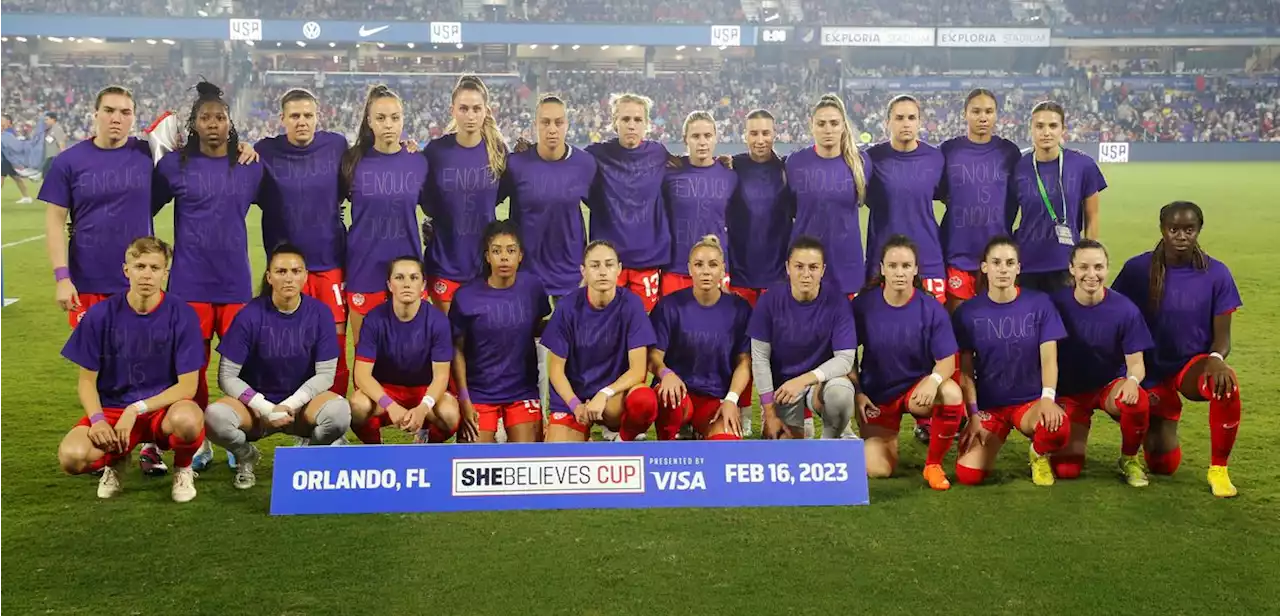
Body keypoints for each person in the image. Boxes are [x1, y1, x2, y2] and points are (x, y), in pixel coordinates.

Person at [152, 80, 265, 466]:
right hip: (189, 285)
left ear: (230, 122)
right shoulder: (173, 166)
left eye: (220, 117)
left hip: (235, 284)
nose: (213, 123)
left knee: (239, 369)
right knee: (191, 369)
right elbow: (143, 207)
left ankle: (236, 437)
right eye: (205, 117)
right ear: (194, 123)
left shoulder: (250, 166)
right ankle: (199, 439)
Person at [55, 236, 204, 502]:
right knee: (72, 457)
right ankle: (117, 461)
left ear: (165, 273)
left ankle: (183, 468)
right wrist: (98, 419)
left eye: (155, 268)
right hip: (114, 409)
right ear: (127, 270)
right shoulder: (100, 315)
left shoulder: (183, 314)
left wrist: (136, 409)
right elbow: (86, 382)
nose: (147, 274)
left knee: (189, 420)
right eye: (140, 266)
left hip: (162, 410)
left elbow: (188, 387)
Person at [1112, 201, 1243, 498]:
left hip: (1192, 365)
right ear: (1162, 230)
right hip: (1149, 368)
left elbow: (1222, 337)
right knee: (1162, 464)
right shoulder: (1137, 269)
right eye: (1174, 229)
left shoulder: (1217, 273)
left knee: (1227, 384)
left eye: (1189, 229)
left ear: (1198, 231)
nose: (1181, 236)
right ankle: (1165, 409)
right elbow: (1116, 318)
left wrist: (1216, 359)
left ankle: (1219, 470)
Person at [203, 244, 352, 490]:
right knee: (214, 417)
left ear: (305, 276)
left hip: (301, 407)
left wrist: (289, 405)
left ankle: (307, 460)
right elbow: (227, 377)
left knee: (339, 413)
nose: (289, 278)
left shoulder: (320, 313)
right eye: (281, 271)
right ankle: (245, 456)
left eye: (296, 271)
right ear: (269, 276)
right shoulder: (249, 315)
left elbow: (326, 374)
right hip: (255, 410)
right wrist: (265, 407)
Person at [254, 87, 351, 397]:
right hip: (286, 270)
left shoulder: (336, 146)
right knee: (291, 348)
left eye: (308, 115)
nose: (302, 122)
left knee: (334, 347)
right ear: (282, 119)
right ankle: (297, 416)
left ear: (317, 117)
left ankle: (331, 417)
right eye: (294, 116)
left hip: (329, 264)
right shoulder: (264, 152)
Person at [952, 237, 1070, 487]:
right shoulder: (967, 313)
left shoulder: (1039, 303)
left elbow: (1050, 359)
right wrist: (973, 414)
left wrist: (1048, 399)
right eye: (996, 262)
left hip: (1030, 403)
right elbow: (965, 372)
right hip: (991, 406)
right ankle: (992, 440)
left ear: (1019, 268)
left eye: (1009, 263)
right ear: (984, 267)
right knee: (968, 475)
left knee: (1057, 427)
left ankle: (1038, 454)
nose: (1003, 269)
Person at [851, 235, 964, 490]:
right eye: (892, 266)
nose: (899, 273)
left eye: (905, 266)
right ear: (882, 269)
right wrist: (857, 392)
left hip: (916, 391)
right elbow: (846, 355)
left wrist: (933, 380)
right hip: (877, 395)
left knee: (950, 392)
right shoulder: (864, 305)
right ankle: (872, 442)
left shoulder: (931, 308)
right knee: (879, 470)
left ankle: (933, 465)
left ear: (915, 269)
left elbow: (947, 360)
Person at [40, 86, 154, 330]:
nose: (116, 118)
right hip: (87, 280)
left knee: (139, 359)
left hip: (139, 280)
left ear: (133, 117)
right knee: (94, 363)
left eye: (125, 112)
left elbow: (201, 153)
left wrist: (240, 147)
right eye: (109, 110)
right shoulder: (68, 161)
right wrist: (62, 278)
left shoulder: (149, 154)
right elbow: (54, 222)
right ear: (95, 114)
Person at [1049, 240, 1153, 487]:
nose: (1091, 275)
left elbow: (1137, 363)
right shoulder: (1054, 305)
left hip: (1107, 387)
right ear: (1072, 269)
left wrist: (1132, 380)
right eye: (1083, 267)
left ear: (1107, 269)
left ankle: (1129, 459)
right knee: (1066, 470)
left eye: (1098, 267)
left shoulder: (1125, 310)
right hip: (1070, 393)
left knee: (1137, 399)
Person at [542, 241, 659, 442]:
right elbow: (556, 371)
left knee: (644, 400)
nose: (603, 271)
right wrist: (575, 405)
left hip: (613, 397)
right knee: (560, 461)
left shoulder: (631, 304)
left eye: (609, 264)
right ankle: (576, 428)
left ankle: (621, 437)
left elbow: (639, 370)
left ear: (619, 269)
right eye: (595, 265)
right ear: (583, 271)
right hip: (574, 398)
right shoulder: (567, 307)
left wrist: (604, 394)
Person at [340, 84, 429, 347]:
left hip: (408, 272)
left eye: (395, 117)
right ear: (369, 121)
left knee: (411, 350)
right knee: (365, 351)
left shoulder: (418, 162)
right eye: (380, 118)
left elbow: (436, 207)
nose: (388, 124)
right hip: (363, 269)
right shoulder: (351, 162)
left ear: (403, 119)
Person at [451, 221, 551, 443]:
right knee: (474, 467)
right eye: (496, 251)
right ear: (487, 256)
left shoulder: (533, 288)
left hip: (522, 392)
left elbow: (537, 329)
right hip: (480, 393)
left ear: (520, 256)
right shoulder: (466, 296)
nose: (504, 257)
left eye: (510, 250)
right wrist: (465, 399)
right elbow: (456, 349)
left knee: (526, 464)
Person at [749, 236, 858, 439]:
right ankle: (795, 426)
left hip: (820, 382)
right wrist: (770, 413)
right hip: (784, 389)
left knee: (840, 394)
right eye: (799, 267)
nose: (806, 274)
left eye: (813, 267)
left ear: (823, 270)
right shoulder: (769, 301)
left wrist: (803, 380)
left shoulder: (837, 302)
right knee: (786, 455)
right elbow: (760, 359)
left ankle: (833, 439)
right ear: (788, 268)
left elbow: (845, 360)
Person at [727, 108, 792, 437]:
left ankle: (786, 414)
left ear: (775, 133)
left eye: (765, 133)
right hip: (740, 273)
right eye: (754, 133)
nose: (760, 139)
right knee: (742, 350)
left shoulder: (786, 170)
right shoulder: (733, 166)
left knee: (780, 349)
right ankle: (741, 412)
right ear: (745, 134)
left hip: (777, 276)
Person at [350, 257, 462, 445]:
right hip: (386, 390)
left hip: (423, 390)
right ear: (389, 284)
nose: (407, 284)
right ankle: (374, 449)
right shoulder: (374, 319)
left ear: (423, 285)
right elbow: (361, 375)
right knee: (357, 405)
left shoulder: (438, 322)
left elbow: (441, 377)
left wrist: (424, 408)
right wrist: (390, 406)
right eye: (399, 278)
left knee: (450, 414)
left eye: (413, 277)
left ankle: (427, 443)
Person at [650, 235, 752, 440]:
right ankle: (673, 437)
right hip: (677, 395)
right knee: (669, 398)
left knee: (727, 444)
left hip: (715, 398)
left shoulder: (739, 309)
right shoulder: (668, 306)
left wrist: (731, 399)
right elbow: (653, 356)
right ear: (689, 269)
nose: (706, 271)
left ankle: (701, 429)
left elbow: (744, 363)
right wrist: (665, 373)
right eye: (699, 264)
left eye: (713, 265)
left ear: (723, 270)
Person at [423, 75, 506, 313]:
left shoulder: (498, 152)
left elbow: (504, 194)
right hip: (443, 263)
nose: (470, 115)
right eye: (464, 108)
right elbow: (426, 201)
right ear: (453, 110)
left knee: (480, 343)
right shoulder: (435, 152)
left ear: (486, 111)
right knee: (449, 342)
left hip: (484, 266)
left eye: (476, 109)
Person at [503, 94, 597, 301]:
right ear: (535, 124)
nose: (552, 129)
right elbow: (487, 202)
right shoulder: (516, 164)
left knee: (570, 332)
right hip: (526, 272)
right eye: (545, 122)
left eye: (559, 122)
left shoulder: (585, 164)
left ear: (567, 125)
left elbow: (603, 210)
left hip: (570, 270)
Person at [585, 93, 672, 312]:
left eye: (637, 120)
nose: (631, 125)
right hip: (608, 263)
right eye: (625, 119)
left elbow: (687, 166)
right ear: (615, 122)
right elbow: (562, 164)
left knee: (642, 328)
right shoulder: (595, 155)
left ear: (647, 124)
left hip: (648, 260)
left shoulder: (658, 153)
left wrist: (723, 163)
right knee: (607, 326)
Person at [938, 89, 1022, 311]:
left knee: (992, 327)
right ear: (965, 114)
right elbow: (938, 190)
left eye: (988, 111)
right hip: (957, 252)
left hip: (998, 255)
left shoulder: (1008, 151)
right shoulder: (949, 150)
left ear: (996, 115)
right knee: (960, 330)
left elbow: (1018, 196)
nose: (982, 117)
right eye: (976, 111)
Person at [1011, 101, 1106, 292]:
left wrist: (1087, 259)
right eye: (1039, 126)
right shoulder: (1017, 166)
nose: (1046, 132)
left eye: (1053, 126)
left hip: (1067, 265)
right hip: (1027, 264)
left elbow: (1092, 216)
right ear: (1031, 129)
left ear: (1063, 129)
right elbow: (1007, 216)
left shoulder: (1083, 165)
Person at [786, 94, 871, 298]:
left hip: (846, 264)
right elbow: (788, 209)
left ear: (843, 125)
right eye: (821, 123)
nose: (828, 129)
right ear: (811, 126)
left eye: (834, 123)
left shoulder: (861, 163)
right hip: (805, 266)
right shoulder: (795, 163)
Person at [865, 95, 947, 302]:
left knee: (932, 322)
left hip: (927, 258)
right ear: (887, 122)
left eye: (911, 118)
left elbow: (947, 197)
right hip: (883, 260)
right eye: (899, 118)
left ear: (919, 122)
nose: (906, 123)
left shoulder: (935, 158)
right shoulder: (871, 159)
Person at [660, 111, 738, 295]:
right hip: (676, 268)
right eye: (695, 136)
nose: (702, 142)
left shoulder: (730, 176)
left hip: (715, 268)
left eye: (707, 136)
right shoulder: (668, 174)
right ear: (685, 139)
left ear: (715, 138)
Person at [0, 112, 36, 203]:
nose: (1, 121)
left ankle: (26, 197)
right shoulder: (7, 131)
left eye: (2, 120)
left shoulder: (10, 131)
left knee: (2, 177)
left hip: (6, 159)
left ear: (8, 121)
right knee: (16, 178)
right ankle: (26, 197)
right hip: (7, 158)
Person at [41, 111, 68, 176]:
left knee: (47, 176)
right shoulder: (50, 130)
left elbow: (61, 143)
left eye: (47, 119)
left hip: (55, 157)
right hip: (49, 157)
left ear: (53, 119)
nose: (45, 121)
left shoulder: (57, 129)